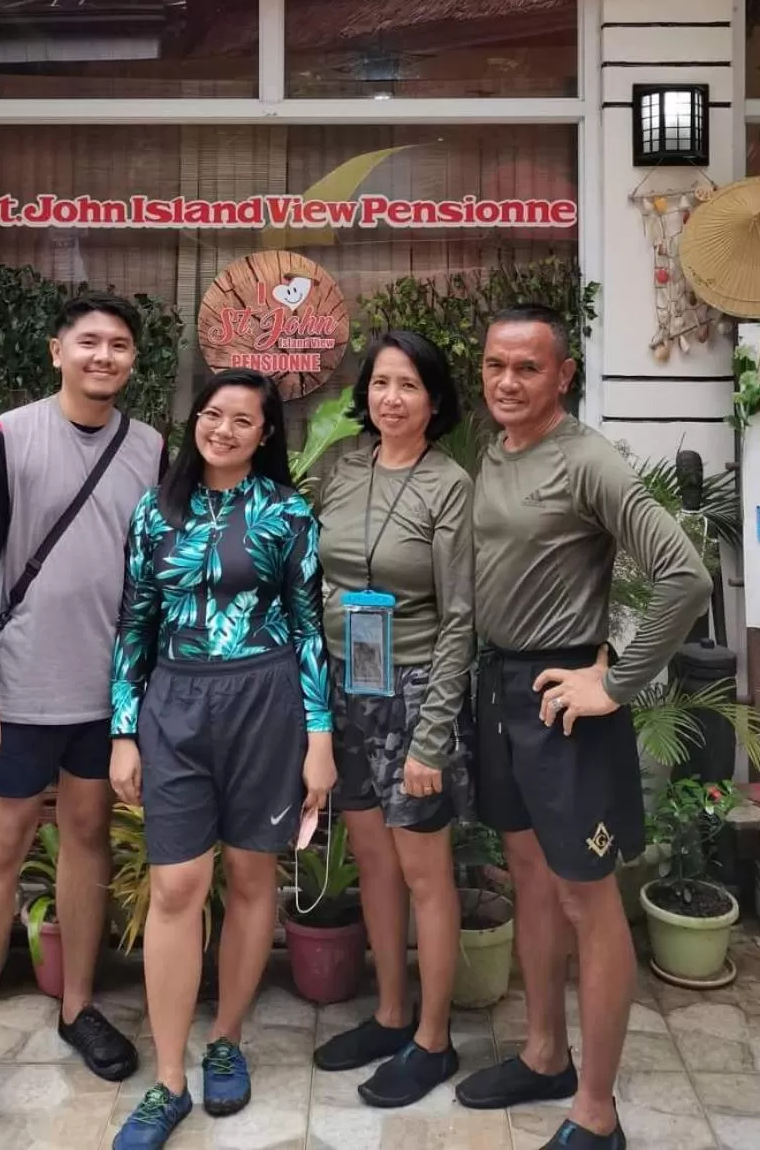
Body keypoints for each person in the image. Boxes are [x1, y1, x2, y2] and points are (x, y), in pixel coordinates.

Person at [456, 306, 712, 1150]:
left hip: (567, 695)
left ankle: (596, 1111)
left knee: (586, 898)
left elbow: (684, 575)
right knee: (527, 872)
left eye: (527, 367)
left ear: (563, 375)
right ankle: (541, 1056)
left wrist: (617, 681)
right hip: (503, 687)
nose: (507, 380)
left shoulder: (589, 459)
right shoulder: (496, 451)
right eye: (496, 364)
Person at [0, 293, 165, 1102]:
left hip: (105, 692)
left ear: (133, 362)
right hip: (22, 684)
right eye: (89, 342)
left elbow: (153, 576)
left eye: (120, 346)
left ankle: (77, 1007)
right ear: (56, 352)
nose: (104, 356)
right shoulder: (9, 437)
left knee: (88, 837)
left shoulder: (151, 449)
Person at [109, 369, 336, 1150]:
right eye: (213, 413)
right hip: (175, 706)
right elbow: (132, 625)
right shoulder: (154, 512)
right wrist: (123, 729)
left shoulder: (288, 514)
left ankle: (227, 1038)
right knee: (177, 883)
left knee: (250, 876)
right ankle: (167, 1079)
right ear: (194, 421)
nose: (225, 428)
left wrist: (320, 740)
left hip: (265, 704)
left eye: (244, 419)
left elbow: (309, 631)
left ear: (266, 433)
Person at [312, 330, 475, 1108]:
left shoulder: (450, 485)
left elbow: (461, 617)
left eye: (408, 385)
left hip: (413, 692)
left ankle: (434, 1041)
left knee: (424, 871)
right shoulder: (341, 471)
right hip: (344, 686)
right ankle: (389, 1012)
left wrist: (434, 732)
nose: (391, 399)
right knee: (374, 859)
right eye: (380, 383)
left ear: (433, 400)